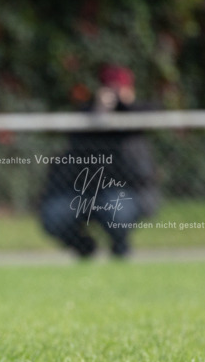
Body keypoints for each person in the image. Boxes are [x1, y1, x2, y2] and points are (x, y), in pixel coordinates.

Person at [40, 65, 159, 258]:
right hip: (83, 191)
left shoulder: (138, 114)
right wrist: (99, 111)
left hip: (128, 191)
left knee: (115, 209)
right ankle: (84, 247)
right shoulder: (87, 114)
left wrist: (122, 106)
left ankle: (120, 244)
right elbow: (75, 139)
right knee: (55, 216)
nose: (116, 93)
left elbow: (152, 113)